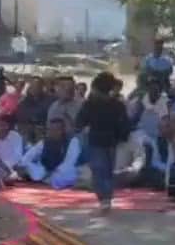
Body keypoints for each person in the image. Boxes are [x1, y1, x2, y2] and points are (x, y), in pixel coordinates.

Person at [76, 72, 133, 213]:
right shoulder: (116, 105)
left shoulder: (91, 104)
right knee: (105, 170)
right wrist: (121, 137)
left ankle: (105, 198)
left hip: (99, 141)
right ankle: (105, 198)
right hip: (108, 141)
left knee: (100, 170)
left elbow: (79, 121)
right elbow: (125, 125)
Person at [17, 117, 83, 190]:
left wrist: (55, 171)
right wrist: (21, 165)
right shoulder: (45, 142)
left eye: (56, 130)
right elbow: (30, 154)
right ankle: (45, 179)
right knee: (29, 166)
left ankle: (48, 180)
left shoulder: (72, 141)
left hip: (61, 171)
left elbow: (70, 161)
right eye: (51, 129)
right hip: (46, 171)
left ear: (63, 130)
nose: (53, 132)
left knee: (64, 175)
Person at [15, 77, 53, 144]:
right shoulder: (23, 101)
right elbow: (19, 117)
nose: (34, 88)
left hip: (43, 132)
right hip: (26, 132)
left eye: (37, 86)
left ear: (42, 87)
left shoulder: (50, 100)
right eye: (32, 86)